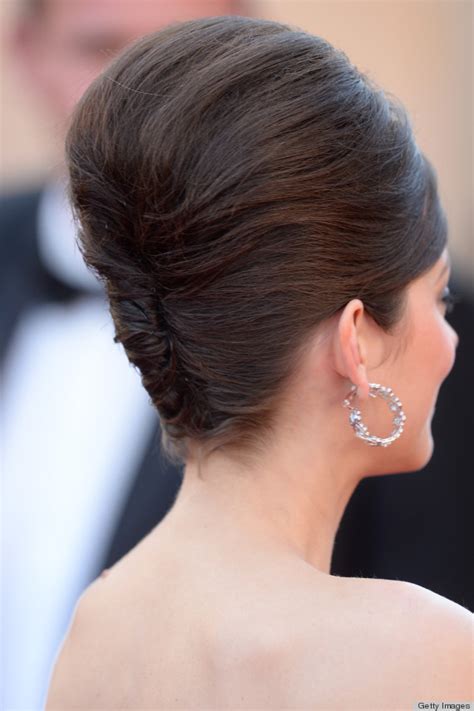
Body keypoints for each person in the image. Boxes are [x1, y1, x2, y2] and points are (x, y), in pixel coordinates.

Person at [45, 16, 472, 709]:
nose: (451, 341)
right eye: (439, 296)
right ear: (356, 340)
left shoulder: (95, 629)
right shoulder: (431, 651)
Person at [0, 2, 242, 710]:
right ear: (26, 53)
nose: (147, 92)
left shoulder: (379, 318)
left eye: (182, 52)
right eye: (100, 48)